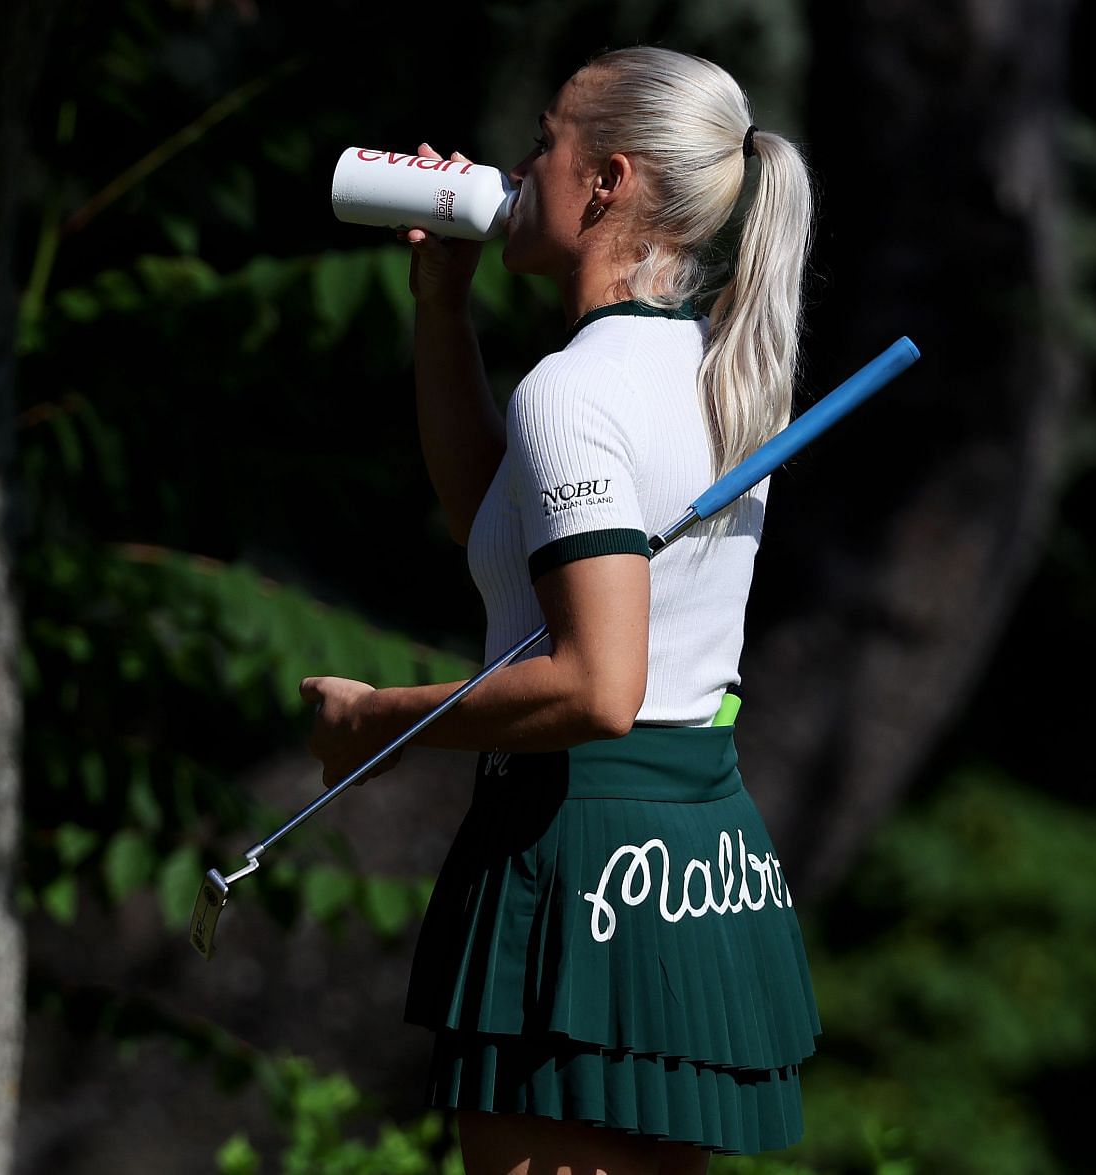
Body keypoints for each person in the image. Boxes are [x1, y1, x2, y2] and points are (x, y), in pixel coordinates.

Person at [299, 45, 819, 1173]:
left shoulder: (577, 390)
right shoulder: (712, 370)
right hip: (689, 849)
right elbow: (494, 526)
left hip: (580, 853)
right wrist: (443, 309)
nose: (520, 166)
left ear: (607, 181)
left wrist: (374, 724)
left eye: (544, 143)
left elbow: (597, 683)